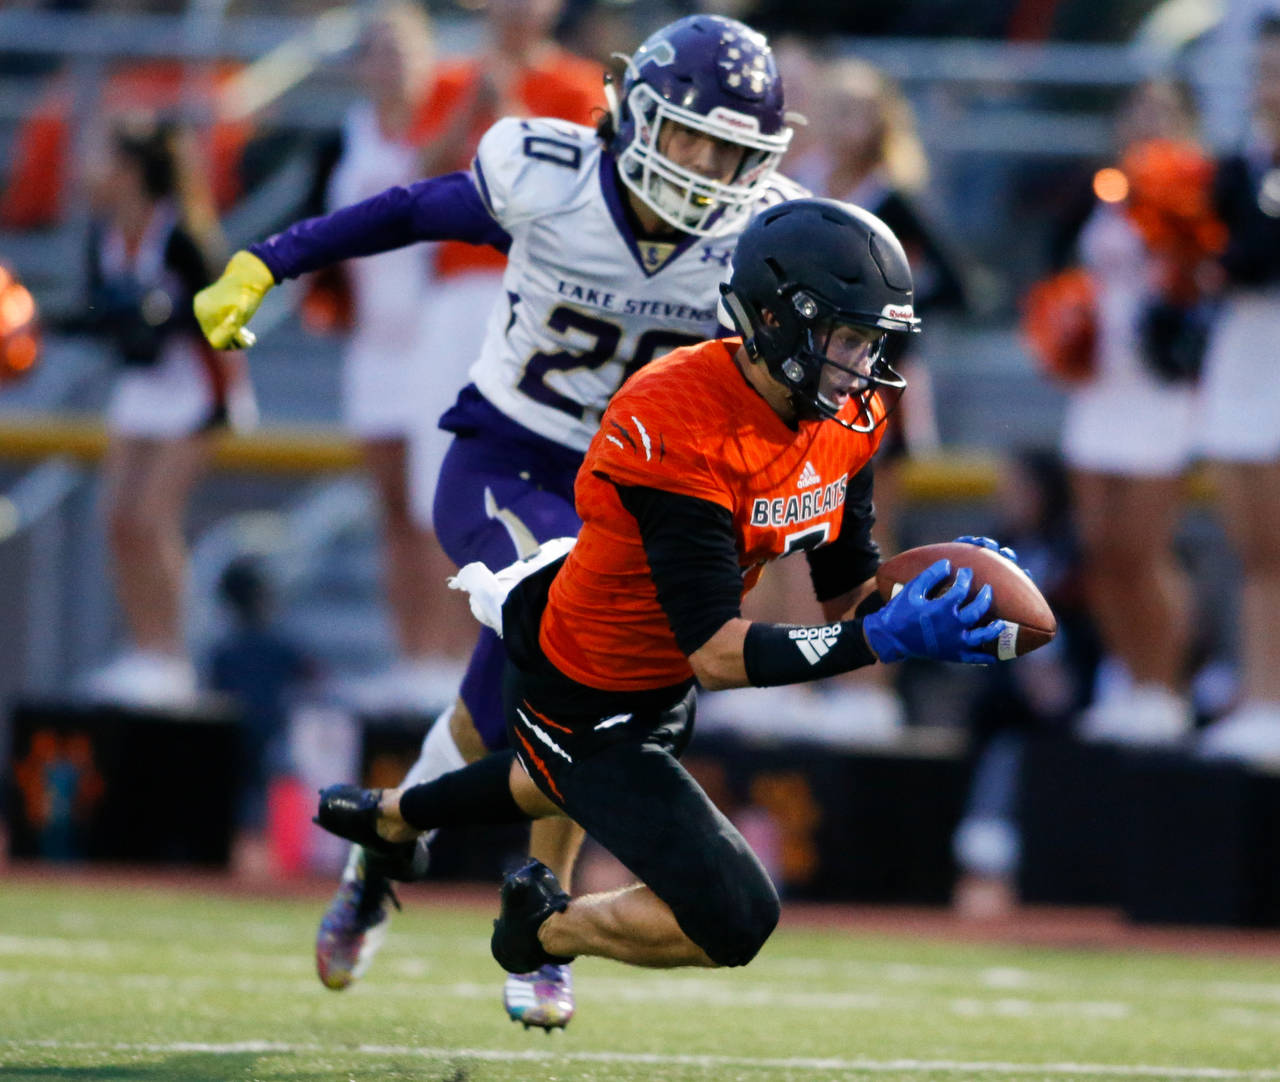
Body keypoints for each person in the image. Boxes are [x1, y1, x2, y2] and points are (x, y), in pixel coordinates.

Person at [195, 14, 804, 1027]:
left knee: (511, 723)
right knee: (578, 657)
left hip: (630, 495)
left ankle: (385, 853)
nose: (706, 168)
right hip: (507, 457)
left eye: (731, 149)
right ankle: (531, 912)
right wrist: (270, 259)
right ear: (635, 115)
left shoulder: (758, 237)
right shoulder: (550, 174)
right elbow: (407, 209)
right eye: (690, 136)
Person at [312, 198, 1012, 978]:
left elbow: (846, 589)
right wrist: (879, 639)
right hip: (580, 683)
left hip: (657, 678)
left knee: (543, 781)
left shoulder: (849, 414)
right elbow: (717, 653)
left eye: (873, 342)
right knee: (736, 914)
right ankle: (542, 932)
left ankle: (391, 818)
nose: (864, 365)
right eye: (849, 338)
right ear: (782, 322)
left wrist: (934, 597)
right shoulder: (680, 420)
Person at [1049, 79, 1220, 745]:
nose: (1148, 122)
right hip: (1101, 384)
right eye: (1139, 110)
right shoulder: (1105, 190)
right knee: (1100, 550)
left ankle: (1164, 685)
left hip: (1160, 387)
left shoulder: (1201, 193)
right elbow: (1062, 262)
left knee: (1145, 550)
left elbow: (1206, 280)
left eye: (1164, 112)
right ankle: (1127, 678)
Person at [79, 116, 255, 709]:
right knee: (116, 520)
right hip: (142, 391)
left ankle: (170, 658)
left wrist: (163, 317)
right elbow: (99, 313)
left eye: (102, 159)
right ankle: (142, 648)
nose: (88, 171)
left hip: (197, 391)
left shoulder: (178, 236)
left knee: (152, 520)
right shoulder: (102, 235)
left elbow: (224, 322)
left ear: (130, 171)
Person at [1197, 15, 1280, 763]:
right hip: (1242, 361)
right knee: (1253, 549)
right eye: (1262, 74)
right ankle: (1259, 696)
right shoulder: (1235, 166)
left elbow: (1256, 253)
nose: (1269, 89)